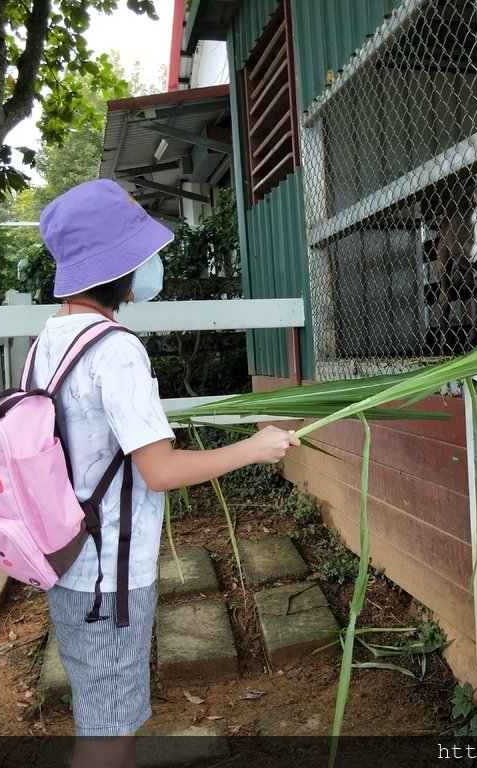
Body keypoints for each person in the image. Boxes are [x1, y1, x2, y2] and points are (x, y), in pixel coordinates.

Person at [31, 179, 299, 768]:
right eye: (142, 253)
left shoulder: (47, 342)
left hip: (69, 561)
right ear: (121, 266)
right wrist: (254, 448)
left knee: (103, 716)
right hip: (109, 578)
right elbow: (158, 469)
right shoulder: (117, 350)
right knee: (107, 737)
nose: (149, 266)